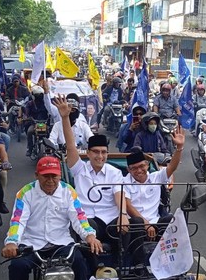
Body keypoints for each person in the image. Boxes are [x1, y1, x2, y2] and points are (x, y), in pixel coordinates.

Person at [1, 156, 102, 280]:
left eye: (54, 176)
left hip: (61, 243)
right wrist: (12, 242)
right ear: (37, 175)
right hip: (32, 243)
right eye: (45, 176)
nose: (50, 180)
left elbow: (79, 218)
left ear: (60, 175)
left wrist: (89, 236)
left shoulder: (68, 191)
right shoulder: (25, 192)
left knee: (78, 261)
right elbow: (18, 220)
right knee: (17, 267)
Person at [57, 96, 131, 256]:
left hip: (110, 218)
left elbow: (120, 195)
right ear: (88, 153)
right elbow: (70, 146)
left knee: (128, 226)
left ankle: (124, 269)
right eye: (96, 152)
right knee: (88, 228)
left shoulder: (115, 172)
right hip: (88, 218)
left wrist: (123, 215)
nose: (100, 156)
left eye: (104, 152)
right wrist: (65, 118)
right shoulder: (79, 169)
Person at [123, 130, 184, 258]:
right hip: (135, 225)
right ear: (129, 170)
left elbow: (172, 167)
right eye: (134, 168)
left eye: (141, 166)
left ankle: (171, 262)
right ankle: (139, 266)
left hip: (156, 222)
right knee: (137, 222)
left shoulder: (156, 177)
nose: (139, 171)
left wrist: (179, 148)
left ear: (147, 165)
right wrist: (146, 224)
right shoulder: (124, 182)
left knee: (172, 219)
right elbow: (128, 206)